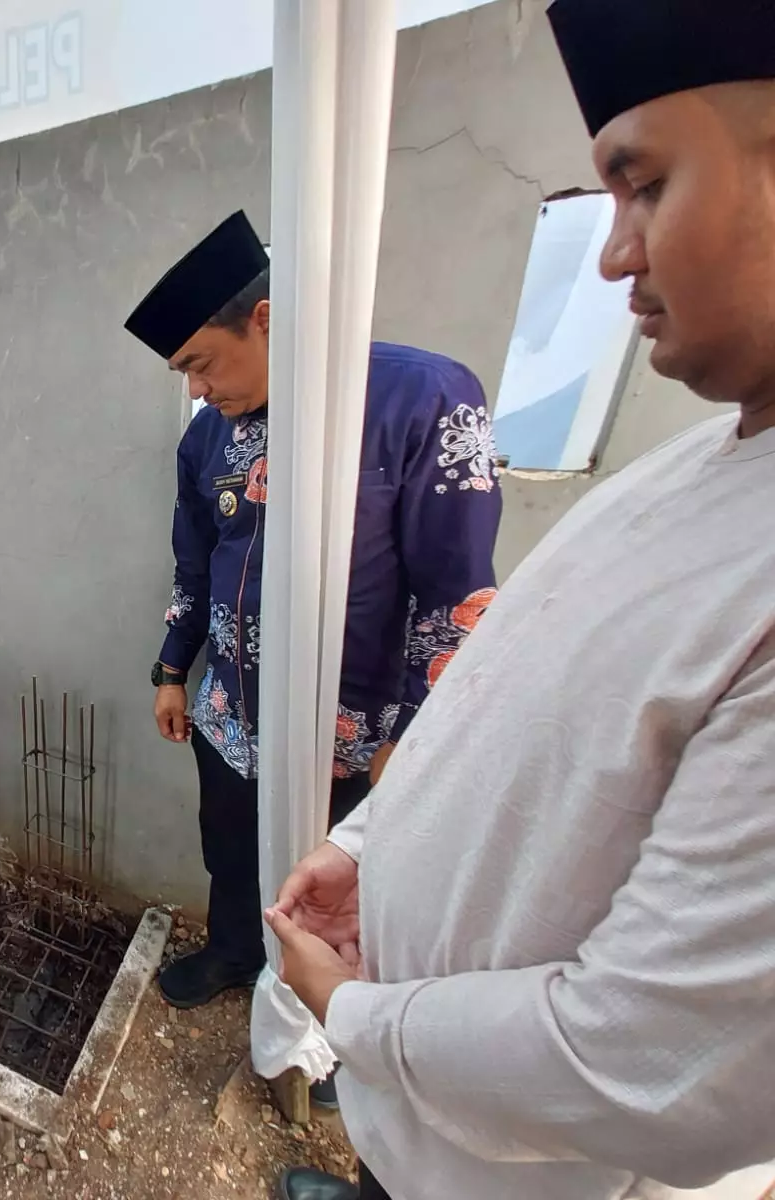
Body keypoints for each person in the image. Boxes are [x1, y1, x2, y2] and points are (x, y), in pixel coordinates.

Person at [267, 3, 775, 1197]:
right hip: (413, 1100)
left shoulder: (422, 403)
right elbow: (500, 701)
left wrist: (358, 1015)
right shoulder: (695, 468)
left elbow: (647, 1063)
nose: (611, 254)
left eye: (643, 185)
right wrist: (365, 848)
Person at [124, 210, 503, 1019]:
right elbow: (194, 566)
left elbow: (457, 594)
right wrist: (170, 669)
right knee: (230, 850)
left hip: (359, 730)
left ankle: (336, 1021)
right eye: (183, 374)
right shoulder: (206, 443)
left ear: (264, 319)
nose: (196, 388)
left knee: (344, 891)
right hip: (232, 716)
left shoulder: (420, 400)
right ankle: (233, 951)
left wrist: (415, 734)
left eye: (200, 363)